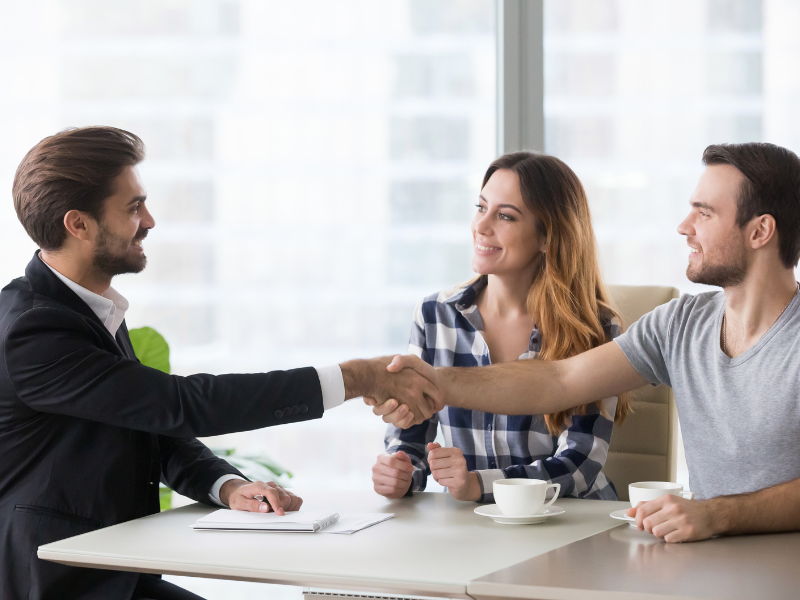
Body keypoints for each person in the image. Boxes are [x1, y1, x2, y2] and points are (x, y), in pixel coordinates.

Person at [0, 127, 440, 600]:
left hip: (115, 573)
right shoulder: (35, 330)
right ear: (78, 224)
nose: (149, 220)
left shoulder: (87, 306)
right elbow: (182, 404)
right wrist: (354, 378)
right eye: (132, 207)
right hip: (58, 581)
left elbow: (150, 425)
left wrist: (227, 486)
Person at [375, 142, 800, 543]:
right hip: (708, 558)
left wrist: (716, 514)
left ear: (760, 231)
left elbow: (578, 453)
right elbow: (559, 379)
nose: (684, 227)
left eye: (704, 214)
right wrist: (433, 384)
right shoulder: (680, 324)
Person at [371, 152, 629, 504]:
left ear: (547, 236)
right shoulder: (435, 316)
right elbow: (411, 434)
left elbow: (580, 463)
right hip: (475, 529)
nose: (481, 225)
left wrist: (481, 484)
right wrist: (401, 470)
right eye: (481, 207)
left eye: (505, 216)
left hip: (571, 523)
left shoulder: (595, 329)